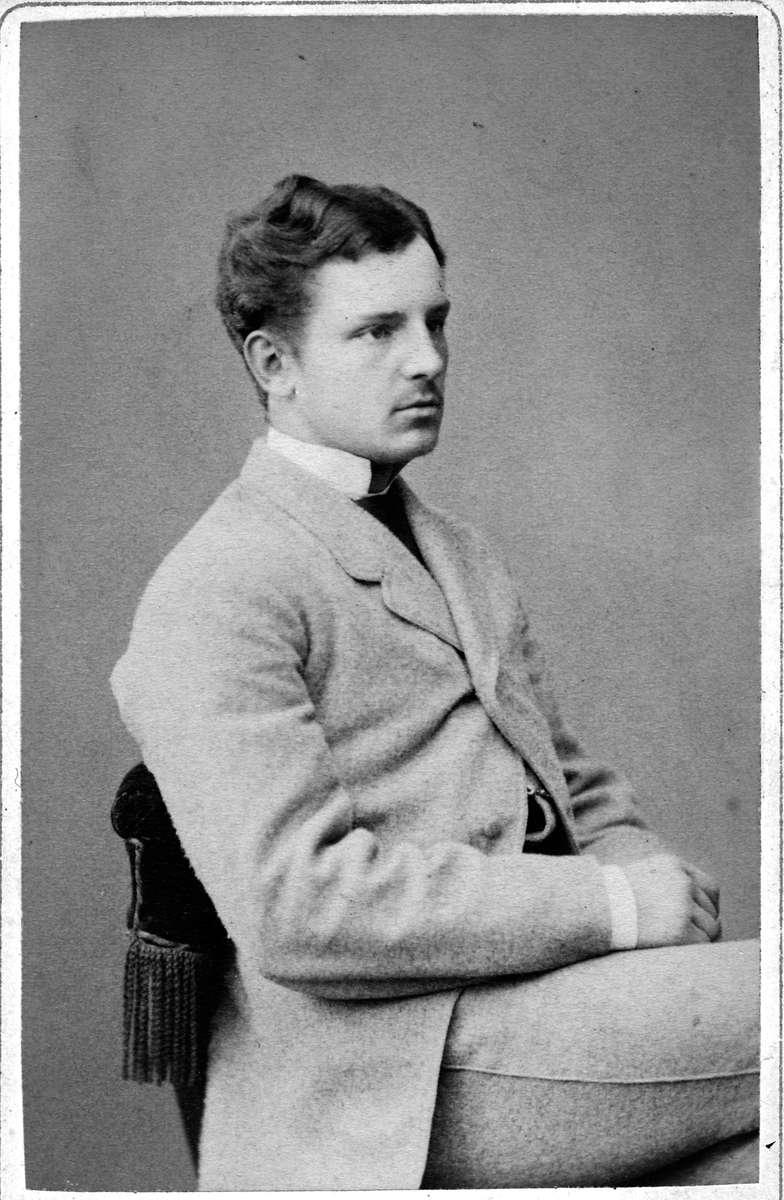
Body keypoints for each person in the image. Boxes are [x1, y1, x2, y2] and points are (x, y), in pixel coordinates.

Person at [110, 175, 759, 1190]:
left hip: (544, 1009)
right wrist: (616, 907)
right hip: (388, 1073)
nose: (427, 360)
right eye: (377, 332)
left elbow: (573, 790)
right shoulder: (221, 585)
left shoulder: (460, 551)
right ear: (275, 364)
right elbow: (302, 911)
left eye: (435, 321)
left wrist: (652, 898)